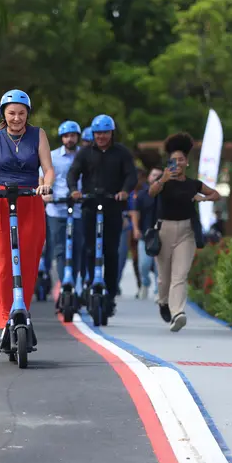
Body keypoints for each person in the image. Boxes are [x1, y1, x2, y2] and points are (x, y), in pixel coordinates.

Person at [0, 90, 53, 346]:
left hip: (30, 198)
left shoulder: (38, 135)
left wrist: (46, 185)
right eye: (12, 113)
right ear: (3, 114)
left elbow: (48, 169)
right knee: (5, 259)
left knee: (28, 259)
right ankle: (6, 316)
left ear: (28, 114)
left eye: (21, 113)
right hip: (0, 201)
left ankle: (22, 310)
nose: (17, 118)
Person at [147, 132, 220, 332]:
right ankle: (163, 302)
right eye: (174, 160)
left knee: (180, 275)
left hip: (186, 232)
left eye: (181, 159)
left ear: (187, 162)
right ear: (168, 163)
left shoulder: (193, 184)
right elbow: (151, 192)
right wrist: (162, 180)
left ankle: (178, 313)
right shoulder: (163, 181)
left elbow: (216, 194)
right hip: (164, 230)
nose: (178, 163)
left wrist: (203, 198)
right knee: (164, 278)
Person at [67, 114, 137, 317]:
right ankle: (90, 282)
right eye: (98, 133)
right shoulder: (85, 153)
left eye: (105, 133)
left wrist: (124, 191)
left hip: (112, 206)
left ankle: (111, 294)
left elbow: (131, 175)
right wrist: (74, 190)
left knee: (111, 252)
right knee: (89, 249)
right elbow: (73, 173)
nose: (101, 137)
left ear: (111, 133)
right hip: (90, 206)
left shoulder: (121, 153)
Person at [40, 120, 84, 282]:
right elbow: (42, 177)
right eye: (66, 136)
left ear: (77, 137)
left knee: (78, 248)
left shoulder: (84, 155)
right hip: (56, 209)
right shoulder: (52, 156)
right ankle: (64, 283)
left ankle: (74, 283)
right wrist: (45, 193)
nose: (69, 139)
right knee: (60, 249)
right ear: (61, 138)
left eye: (72, 136)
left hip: (79, 209)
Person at [131, 166, 162, 300]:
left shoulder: (165, 195)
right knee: (144, 264)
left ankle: (158, 291)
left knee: (159, 265)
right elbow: (135, 213)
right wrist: (136, 229)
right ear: (149, 177)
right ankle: (145, 283)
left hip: (162, 235)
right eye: (154, 175)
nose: (156, 177)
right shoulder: (142, 195)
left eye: (159, 175)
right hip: (145, 235)